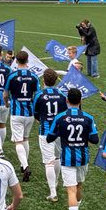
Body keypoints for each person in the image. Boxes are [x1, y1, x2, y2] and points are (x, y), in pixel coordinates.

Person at [46, 87, 99, 210]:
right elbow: (95, 140)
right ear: (81, 101)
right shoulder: (88, 117)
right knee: (79, 186)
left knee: (71, 190)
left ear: (67, 100)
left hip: (68, 158)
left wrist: (60, 132)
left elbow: (50, 138)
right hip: (83, 157)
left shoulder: (60, 117)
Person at [32, 68, 68, 201]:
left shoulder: (39, 95)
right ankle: (56, 183)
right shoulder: (63, 95)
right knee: (57, 158)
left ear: (44, 80)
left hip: (46, 132)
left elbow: (35, 113)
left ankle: (53, 192)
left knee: (48, 162)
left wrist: (40, 119)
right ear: (55, 80)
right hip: (60, 131)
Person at [6, 50, 41, 182]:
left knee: (18, 141)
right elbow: (37, 95)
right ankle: (23, 164)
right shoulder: (34, 76)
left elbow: (5, 93)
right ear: (27, 61)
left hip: (16, 112)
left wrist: (6, 103)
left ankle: (25, 166)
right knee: (25, 139)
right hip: (30, 112)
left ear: (16, 60)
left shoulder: (12, 75)